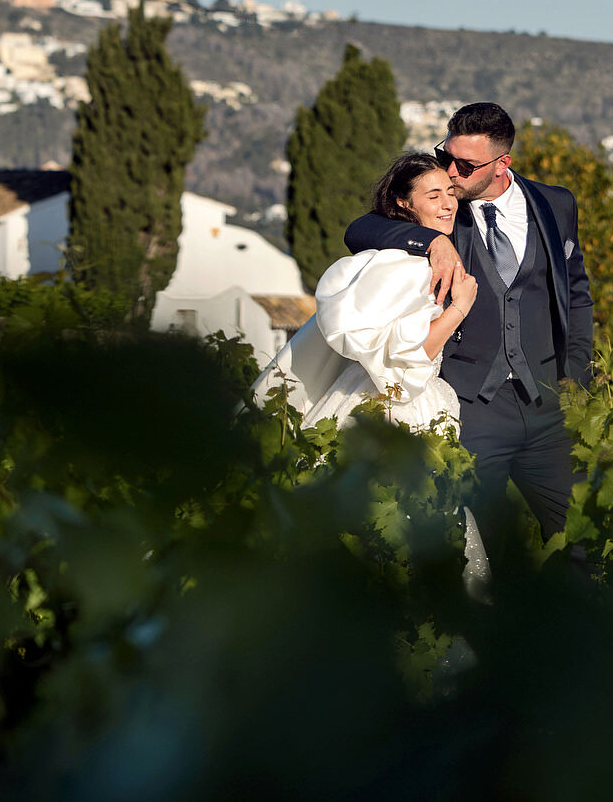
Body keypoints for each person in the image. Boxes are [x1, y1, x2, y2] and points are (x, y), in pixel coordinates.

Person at [343, 102, 594, 552]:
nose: (451, 172)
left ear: (502, 164)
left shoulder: (556, 204)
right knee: (481, 549)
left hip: (548, 407)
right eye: (447, 155)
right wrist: (433, 241)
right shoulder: (440, 206)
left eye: (466, 164)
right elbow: (361, 229)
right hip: (470, 406)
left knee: (585, 537)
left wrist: (576, 374)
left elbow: (576, 292)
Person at [252, 151, 478, 435]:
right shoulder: (412, 268)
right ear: (403, 202)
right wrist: (460, 306)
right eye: (433, 197)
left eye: (450, 193)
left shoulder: (396, 258)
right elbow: (406, 360)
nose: (447, 205)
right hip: (396, 410)